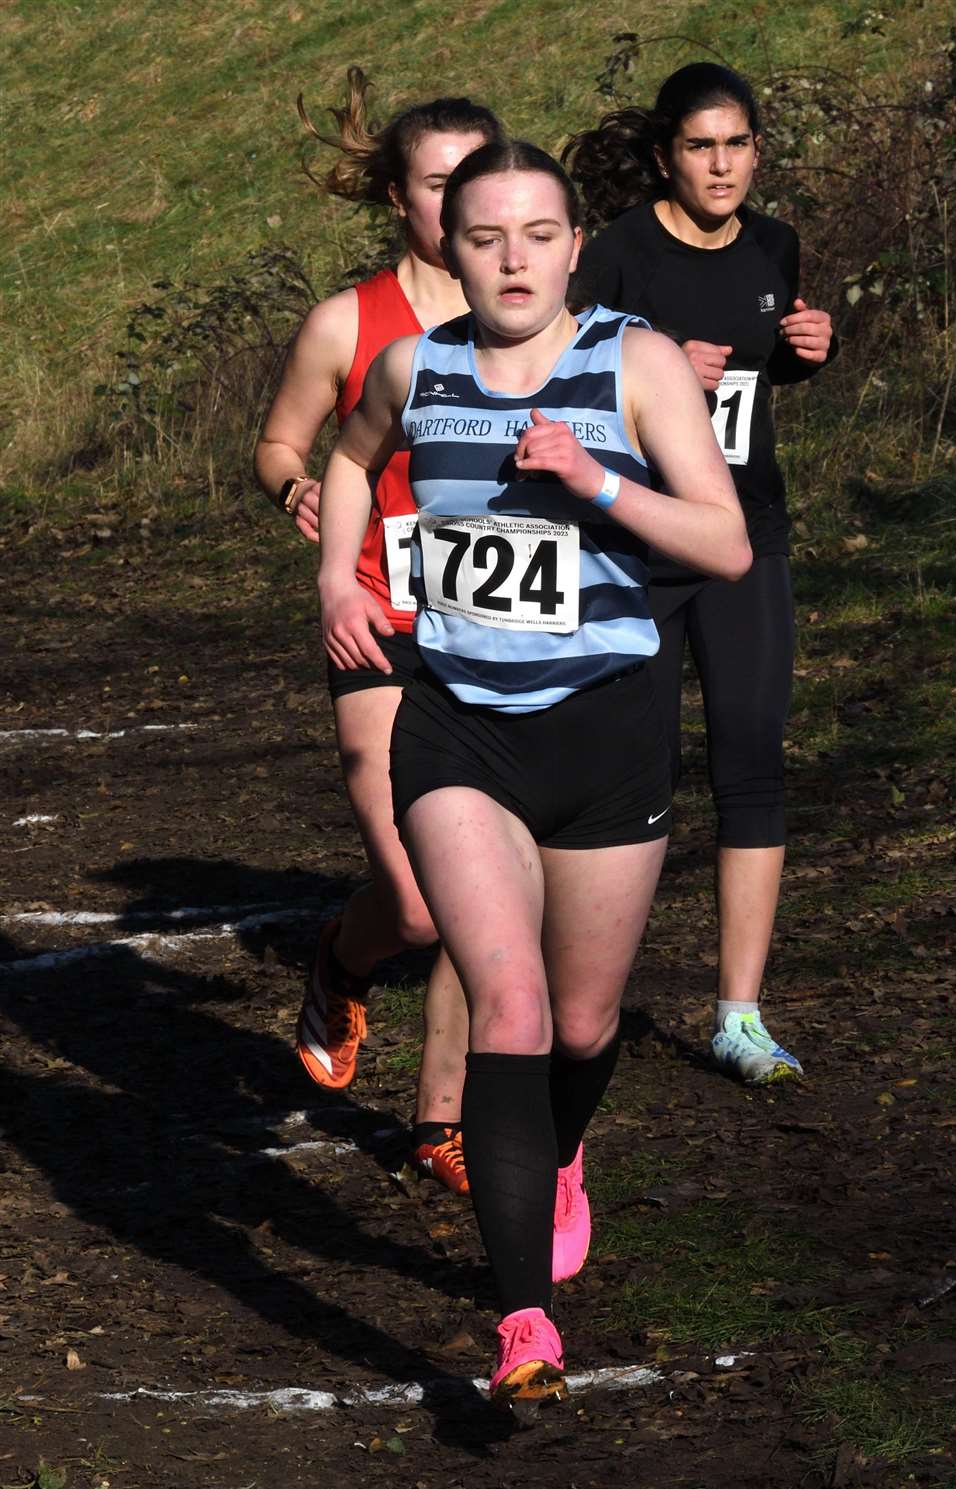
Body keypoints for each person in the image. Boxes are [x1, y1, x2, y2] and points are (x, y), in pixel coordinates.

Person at [316, 140, 752, 1409]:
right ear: (448, 248)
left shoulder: (635, 361)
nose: (512, 258)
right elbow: (350, 457)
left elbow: (722, 542)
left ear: (575, 245)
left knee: (579, 1025)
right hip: (459, 731)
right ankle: (524, 1322)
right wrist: (338, 577)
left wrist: (592, 478)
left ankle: (559, 1157)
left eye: (537, 235)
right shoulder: (415, 366)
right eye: (485, 236)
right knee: (505, 1004)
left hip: (608, 733)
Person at [254, 69, 503, 1194]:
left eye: (476, 182)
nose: (459, 208)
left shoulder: (532, 314)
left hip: (491, 622)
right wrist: (295, 489)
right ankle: (340, 959)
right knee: (411, 898)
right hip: (375, 611)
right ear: (400, 200)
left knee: (475, 892)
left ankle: (441, 1122)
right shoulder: (347, 322)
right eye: (437, 186)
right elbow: (278, 445)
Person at [564, 63, 836, 1086]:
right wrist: (653, 370)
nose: (720, 164)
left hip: (745, 533)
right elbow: (559, 371)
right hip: (634, 542)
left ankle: (739, 1014)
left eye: (736, 144)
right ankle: (576, 993)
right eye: (699, 146)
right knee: (624, 773)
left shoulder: (774, 245)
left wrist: (812, 348)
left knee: (752, 758)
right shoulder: (622, 253)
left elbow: (766, 366)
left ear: (757, 149)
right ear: (666, 155)